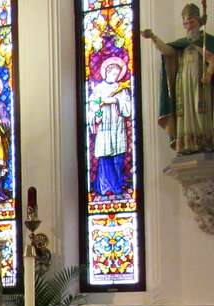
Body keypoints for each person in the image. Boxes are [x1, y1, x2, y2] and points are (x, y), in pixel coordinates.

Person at [142, 3, 214, 154]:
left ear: (200, 22)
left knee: (200, 109)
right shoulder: (182, 45)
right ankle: (188, 144)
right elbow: (167, 51)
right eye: (186, 23)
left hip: (201, 84)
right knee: (186, 112)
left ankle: (205, 142)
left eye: (192, 22)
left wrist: (208, 73)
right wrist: (153, 37)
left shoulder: (207, 41)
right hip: (183, 83)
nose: (188, 26)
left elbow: (212, 59)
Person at [87, 56, 133, 196]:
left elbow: (128, 109)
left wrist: (115, 100)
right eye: (113, 73)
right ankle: (110, 186)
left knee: (118, 156)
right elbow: (93, 106)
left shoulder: (122, 89)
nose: (115, 76)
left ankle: (118, 181)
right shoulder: (99, 89)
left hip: (118, 126)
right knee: (106, 155)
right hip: (105, 127)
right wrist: (98, 111)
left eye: (117, 74)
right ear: (106, 72)